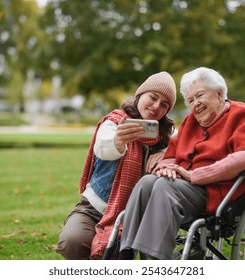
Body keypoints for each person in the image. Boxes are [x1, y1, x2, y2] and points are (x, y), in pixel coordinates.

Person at [118, 67, 245, 260]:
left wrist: (196, 175)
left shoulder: (241, 115)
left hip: (223, 193)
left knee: (163, 187)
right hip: (188, 189)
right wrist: (165, 168)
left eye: (200, 95)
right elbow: (170, 156)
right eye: (191, 100)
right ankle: (126, 253)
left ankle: (156, 263)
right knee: (147, 182)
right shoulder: (190, 122)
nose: (195, 104)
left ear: (219, 94)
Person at [56, 71, 177, 260]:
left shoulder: (164, 137)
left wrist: (166, 153)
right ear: (140, 95)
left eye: (164, 105)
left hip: (136, 214)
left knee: (116, 254)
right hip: (95, 206)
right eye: (153, 98)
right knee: (72, 242)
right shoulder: (114, 122)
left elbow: (184, 148)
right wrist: (118, 141)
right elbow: (102, 147)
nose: (156, 106)